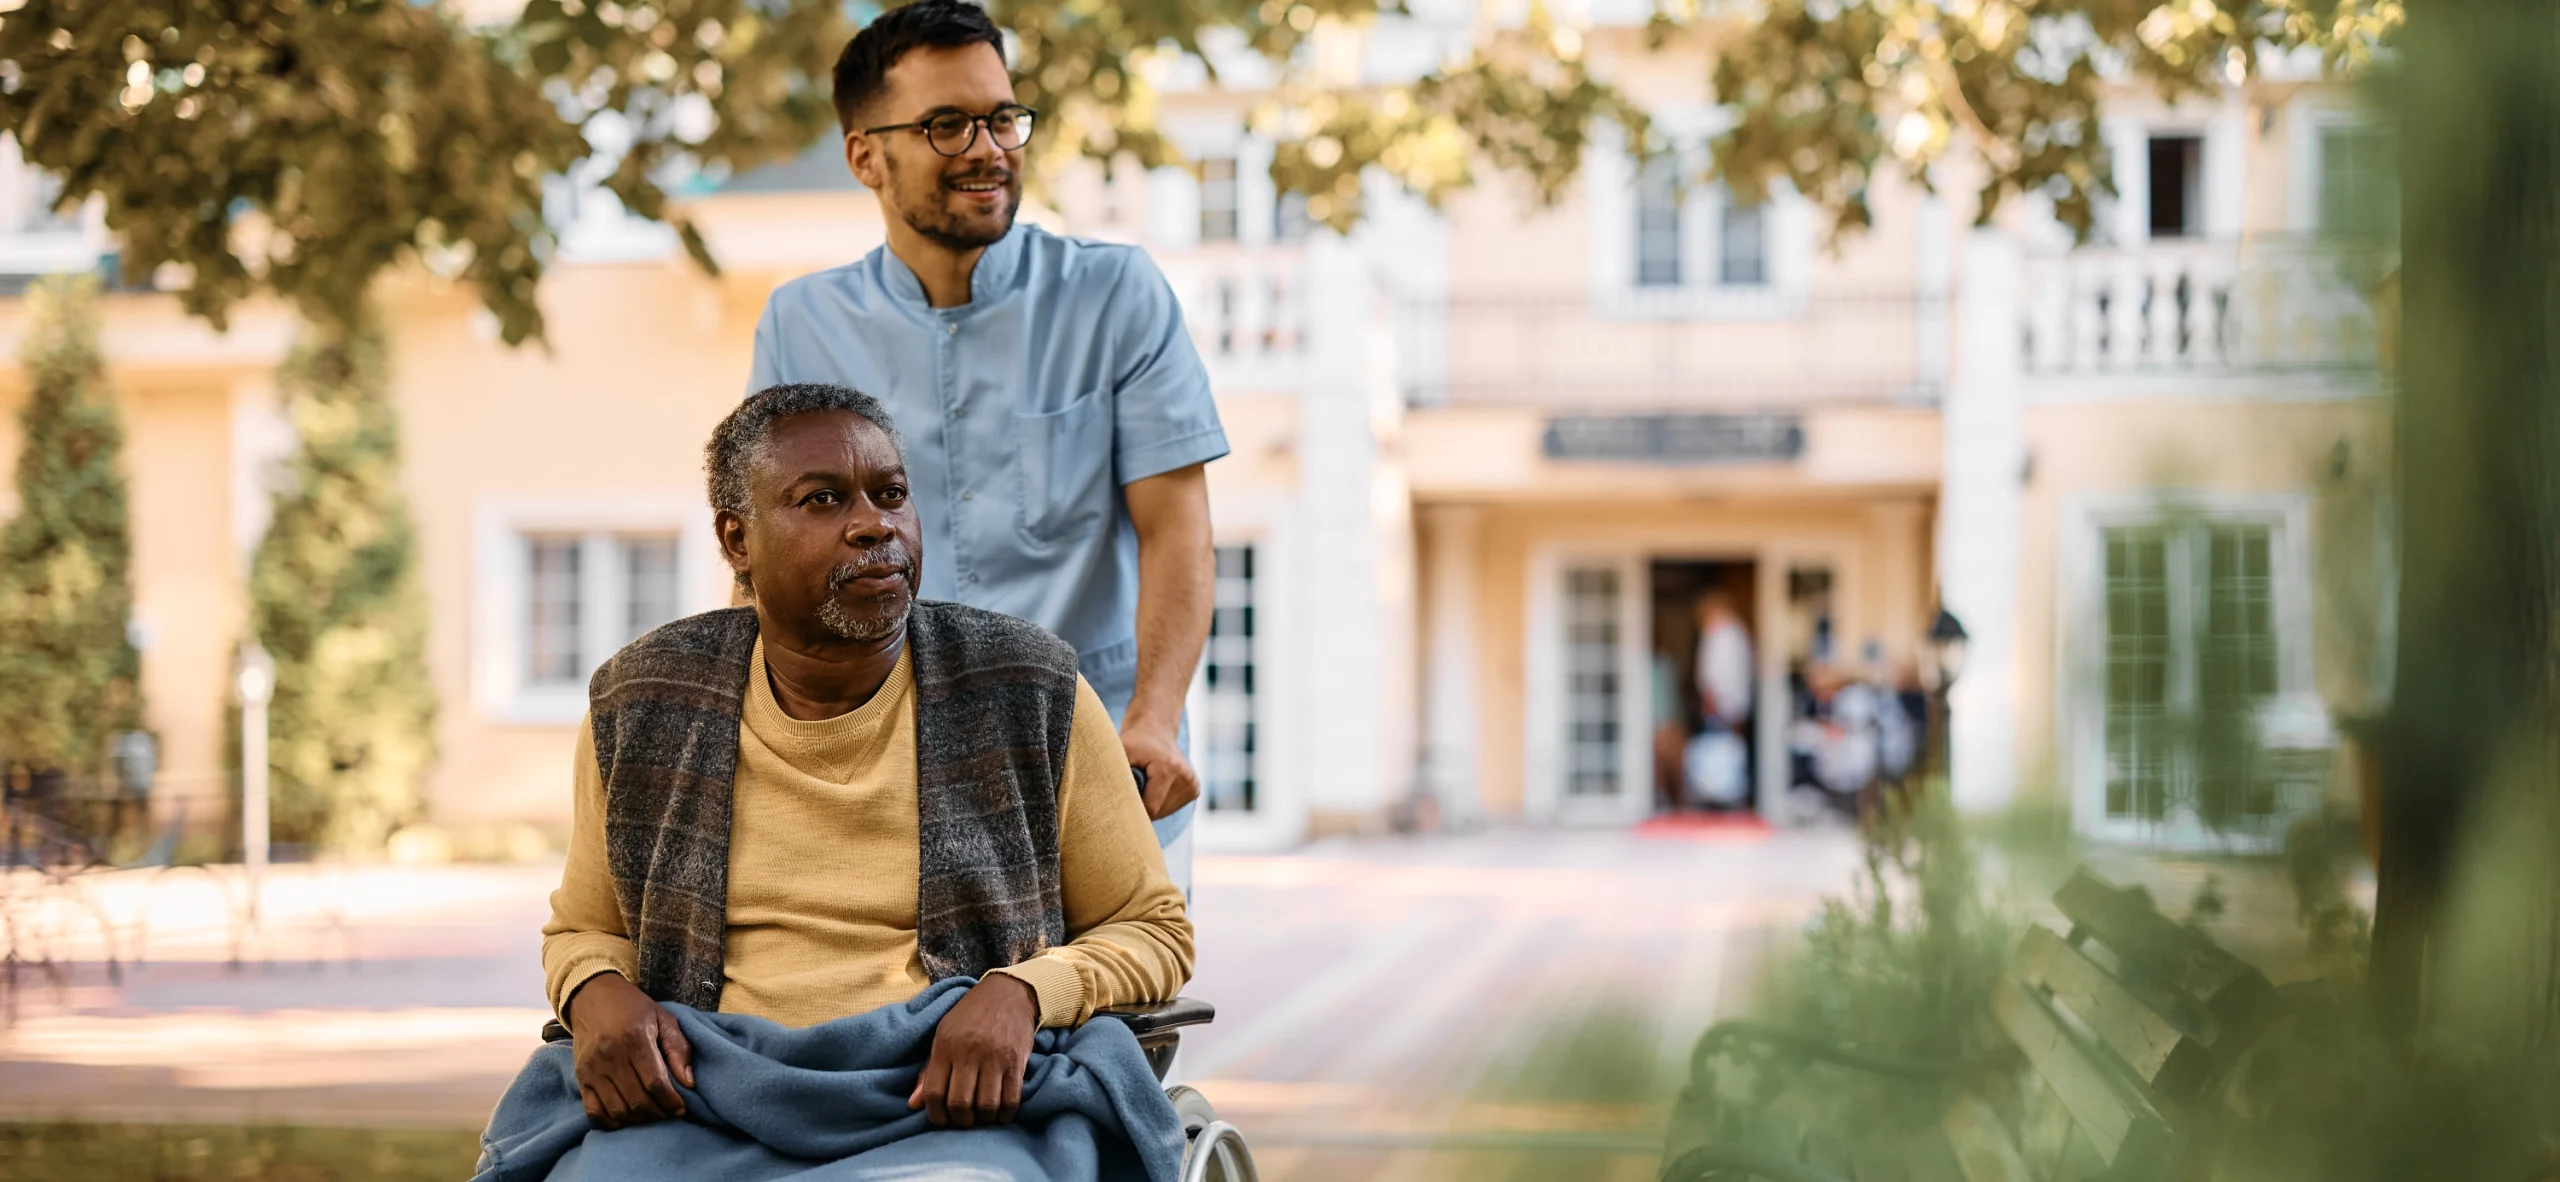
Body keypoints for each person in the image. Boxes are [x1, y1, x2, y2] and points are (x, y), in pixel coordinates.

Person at [541, 385, 1192, 1133]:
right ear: (737, 540)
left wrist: (1027, 992)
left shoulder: (1028, 689)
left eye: (891, 495)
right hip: (706, 1094)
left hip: (950, 1100)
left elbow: (1153, 930)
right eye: (823, 500)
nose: (874, 525)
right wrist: (595, 988)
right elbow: (584, 930)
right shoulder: (643, 702)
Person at [745, 0, 1226, 891]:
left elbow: (1179, 532)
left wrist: (1155, 717)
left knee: (1114, 1026)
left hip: (1107, 763)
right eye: (946, 124)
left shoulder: (1117, 295)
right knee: (904, 1030)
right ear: (865, 156)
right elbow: (771, 568)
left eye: (1003, 117)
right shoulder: (799, 324)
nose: (988, 147)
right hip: (888, 780)